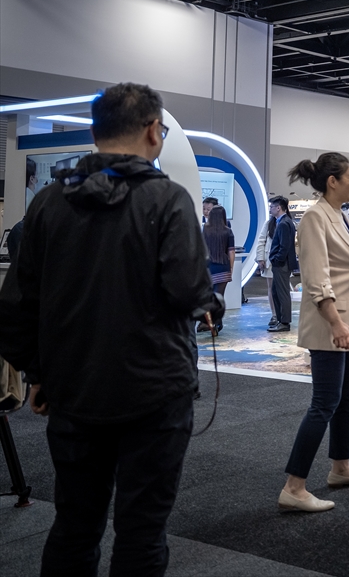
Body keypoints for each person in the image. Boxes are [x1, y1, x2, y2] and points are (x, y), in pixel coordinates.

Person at [0, 82, 221, 576]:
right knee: (142, 533)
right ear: (153, 131)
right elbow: (189, 291)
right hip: (156, 394)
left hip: (73, 392)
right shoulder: (168, 200)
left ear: (97, 133)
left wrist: (39, 373)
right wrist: (212, 305)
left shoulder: (48, 204)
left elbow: (14, 308)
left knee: (74, 526)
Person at [280, 152, 349, 512]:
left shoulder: (339, 215)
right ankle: (294, 487)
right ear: (332, 181)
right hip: (331, 324)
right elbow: (315, 278)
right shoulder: (314, 218)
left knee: (346, 400)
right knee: (324, 403)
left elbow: (339, 266)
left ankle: (341, 468)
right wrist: (336, 323)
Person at [200, 204, 235, 334]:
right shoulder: (228, 231)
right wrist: (231, 268)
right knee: (219, 298)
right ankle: (217, 323)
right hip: (223, 268)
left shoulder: (204, 229)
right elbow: (231, 252)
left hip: (208, 268)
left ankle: (208, 323)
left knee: (208, 298)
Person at [268, 196, 298, 332]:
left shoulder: (284, 223)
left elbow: (284, 246)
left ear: (278, 208)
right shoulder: (284, 222)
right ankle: (281, 321)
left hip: (282, 264)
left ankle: (284, 322)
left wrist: (277, 259)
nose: (270, 209)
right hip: (280, 264)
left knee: (282, 293)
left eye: (272, 207)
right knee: (276, 292)